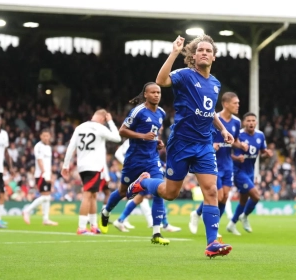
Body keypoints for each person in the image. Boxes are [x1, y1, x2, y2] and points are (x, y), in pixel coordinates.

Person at [126, 35, 234, 258]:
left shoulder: (215, 83)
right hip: (181, 143)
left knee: (212, 191)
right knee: (170, 193)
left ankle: (212, 242)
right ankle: (144, 182)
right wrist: (174, 53)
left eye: (208, 50)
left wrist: (222, 129)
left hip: (204, 144)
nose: (204, 53)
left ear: (214, 56)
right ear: (193, 56)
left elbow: (209, 110)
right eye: (200, 50)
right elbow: (161, 80)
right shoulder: (185, 75)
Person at [99, 82, 172, 245]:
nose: (156, 95)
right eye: (153, 92)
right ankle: (106, 211)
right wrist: (141, 136)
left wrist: (158, 143)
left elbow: (153, 134)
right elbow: (122, 130)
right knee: (123, 192)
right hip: (134, 160)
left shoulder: (161, 113)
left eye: (158, 92)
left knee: (160, 190)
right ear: (145, 94)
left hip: (152, 159)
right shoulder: (138, 111)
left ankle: (156, 233)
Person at [189, 92, 247, 236]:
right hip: (212, 163)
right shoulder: (214, 119)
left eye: (238, 103)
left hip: (228, 164)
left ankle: (214, 226)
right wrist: (211, 145)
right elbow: (203, 136)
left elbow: (234, 140)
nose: (238, 105)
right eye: (235, 103)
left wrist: (241, 146)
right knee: (218, 196)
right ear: (225, 104)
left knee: (225, 197)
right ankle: (196, 214)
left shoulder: (236, 122)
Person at [61, 109, 121, 235]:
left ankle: (93, 226)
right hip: (94, 166)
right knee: (88, 195)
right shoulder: (100, 128)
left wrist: (65, 165)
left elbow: (71, 146)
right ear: (103, 119)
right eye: (105, 120)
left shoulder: (80, 127)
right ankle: (81, 227)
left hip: (82, 165)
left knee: (93, 195)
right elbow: (117, 137)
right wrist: (110, 121)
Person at [113, 139, 181, 232]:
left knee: (141, 198)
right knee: (158, 193)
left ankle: (121, 220)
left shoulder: (150, 137)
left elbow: (151, 156)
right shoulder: (142, 137)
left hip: (146, 169)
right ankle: (164, 224)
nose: (160, 129)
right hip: (144, 170)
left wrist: (163, 164)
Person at [226, 112, 272, 235]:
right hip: (238, 172)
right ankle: (245, 216)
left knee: (243, 200)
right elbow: (226, 152)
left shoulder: (260, 135)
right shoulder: (238, 135)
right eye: (248, 121)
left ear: (256, 122)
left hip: (250, 172)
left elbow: (262, 152)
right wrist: (236, 158)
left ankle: (232, 224)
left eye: (253, 120)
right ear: (244, 122)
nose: (251, 123)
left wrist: (266, 154)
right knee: (256, 196)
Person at [22, 129, 58, 225]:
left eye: (47, 135)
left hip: (47, 174)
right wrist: (45, 174)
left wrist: (50, 174)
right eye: (44, 136)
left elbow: (48, 163)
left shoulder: (49, 147)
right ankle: (27, 210)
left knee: (47, 196)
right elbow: (39, 161)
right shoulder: (38, 146)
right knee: (45, 197)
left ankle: (46, 219)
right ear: (41, 136)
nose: (46, 137)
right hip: (41, 175)